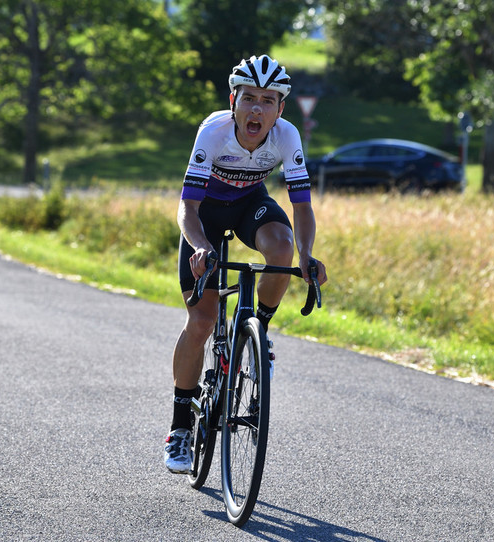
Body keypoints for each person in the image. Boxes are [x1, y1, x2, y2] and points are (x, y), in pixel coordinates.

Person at [164, 54, 328, 473]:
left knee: (282, 248)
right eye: (249, 99)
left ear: (280, 109)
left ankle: (257, 334)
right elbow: (187, 207)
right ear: (233, 100)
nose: (257, 109)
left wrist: (308, 254)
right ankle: (180, 427)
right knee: (201, 322)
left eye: (268, 101)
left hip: (249, 205)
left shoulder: (287, 136)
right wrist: (200, 247)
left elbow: (302, 206)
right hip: (205, 217)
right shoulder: (214, 131)